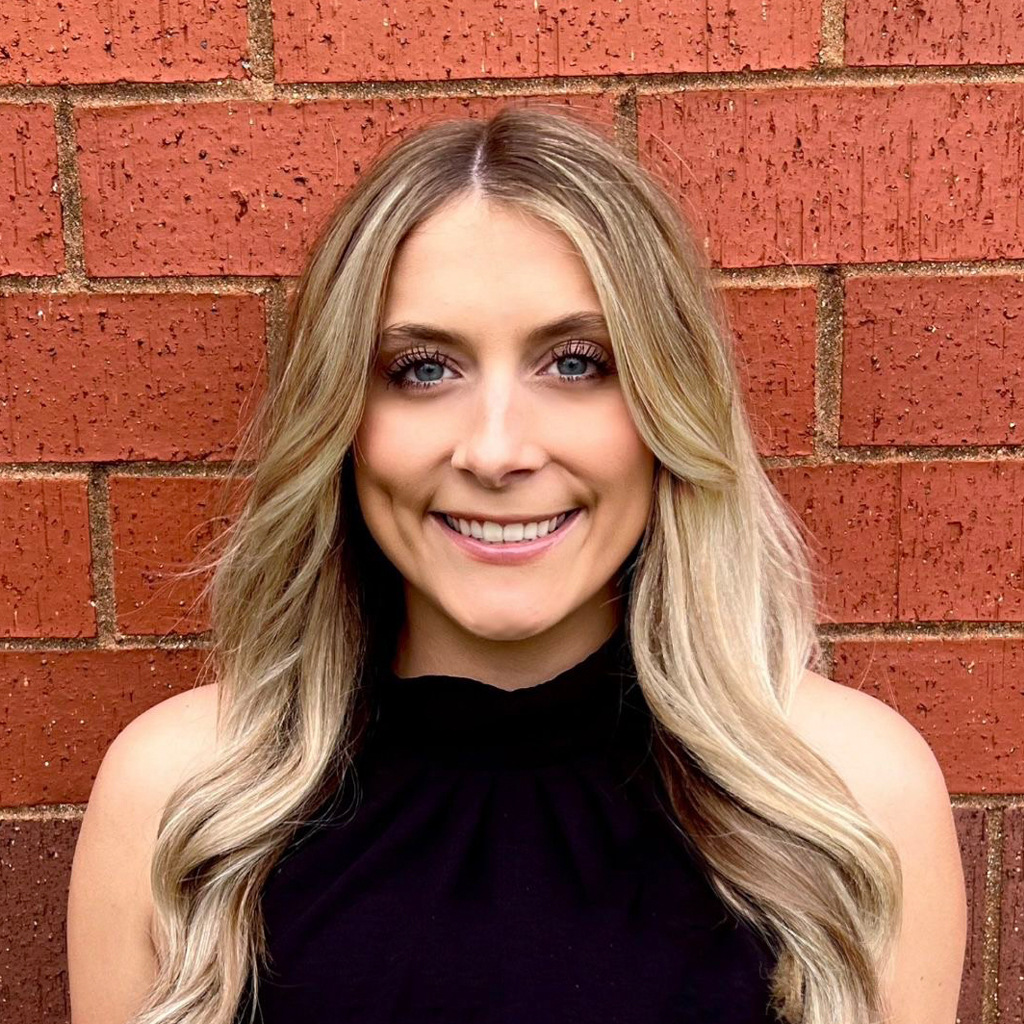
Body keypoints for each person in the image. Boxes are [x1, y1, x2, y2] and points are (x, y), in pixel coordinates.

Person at [66, 106, 966, 1024]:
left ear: (670, 405)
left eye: (576, 363)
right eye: (422, 369)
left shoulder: (848, 799)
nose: (496, 453)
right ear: (340, 422)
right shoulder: (184, 802)